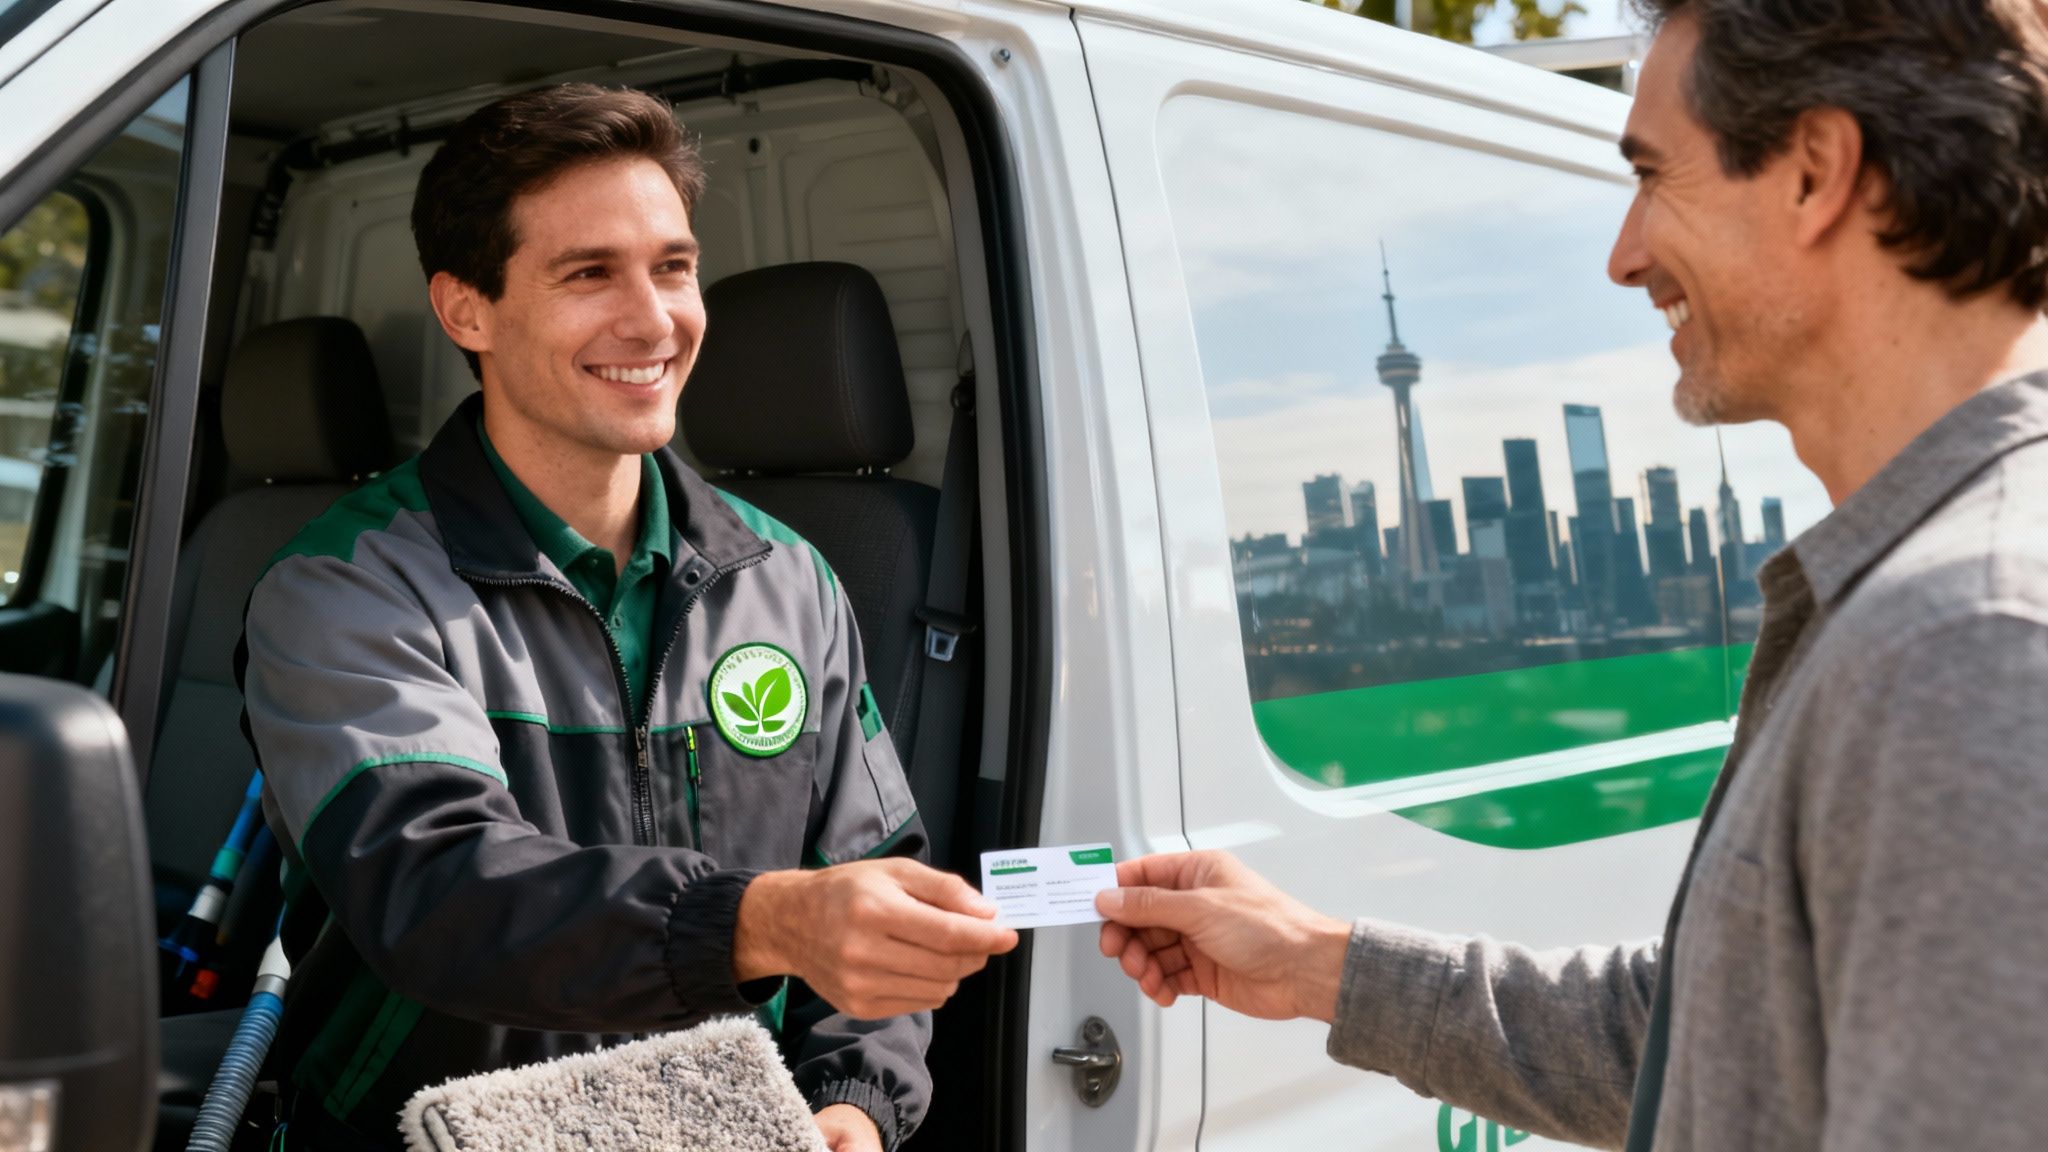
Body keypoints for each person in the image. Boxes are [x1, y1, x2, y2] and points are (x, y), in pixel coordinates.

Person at [1097, 1, 2048, 1148]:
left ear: (1813, 171)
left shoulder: (1967, 642)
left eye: (1653, 177)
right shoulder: (1925, 602)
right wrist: (1314, 966)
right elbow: (1696, 1036)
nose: (1622, 253)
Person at [238, 84, 1016, 1152]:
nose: (654, 320)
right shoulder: (347, 584)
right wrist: (759, 921)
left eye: (673, 266)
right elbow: (439, 890)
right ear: (467, 308)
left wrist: (853, 1102)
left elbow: (873, 882)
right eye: (589, 273)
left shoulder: (786, 577)